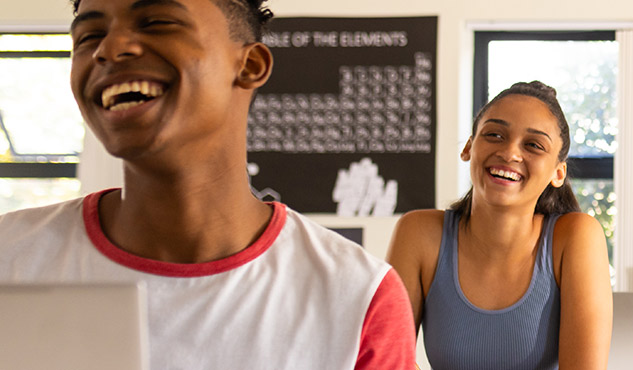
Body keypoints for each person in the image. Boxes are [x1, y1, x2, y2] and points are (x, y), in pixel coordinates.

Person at [0, 0, 415, 368]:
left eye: (157, 21)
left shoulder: (357, 296)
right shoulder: (11, 258)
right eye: (90, 35)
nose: (109, 48)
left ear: (250, 65)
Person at [387, 81, 613, 370]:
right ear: (469, 146)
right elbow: (386, 359)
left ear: (558, 172)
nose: (509, 153)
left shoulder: (576, 236)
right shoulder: (418, 232)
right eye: (494, 134)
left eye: (533, 145)